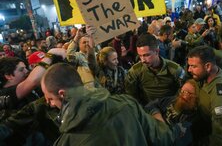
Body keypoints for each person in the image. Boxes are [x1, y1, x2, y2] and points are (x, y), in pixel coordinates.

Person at [41, 63, 184, 146]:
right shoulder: (126, 103)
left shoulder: (66, 142)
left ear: (62, 94)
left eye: (49, 98)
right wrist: (156, 115)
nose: (50, 104)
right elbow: (163, 138)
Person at [187, 45, 222, 146]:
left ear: (208, 66)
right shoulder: (210, 74)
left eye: (193, 66)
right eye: (189, 66)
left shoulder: (220, 99)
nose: (189, 70)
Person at [125, 33, 186, 106]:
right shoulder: (135, 71)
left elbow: (182, 93)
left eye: (146, 55)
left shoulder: (175, 70)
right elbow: (131, 96)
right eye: (140, 55)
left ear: (157, 51)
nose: (142, 60)